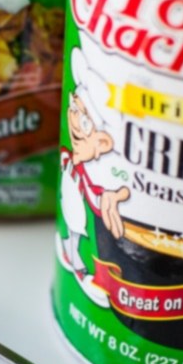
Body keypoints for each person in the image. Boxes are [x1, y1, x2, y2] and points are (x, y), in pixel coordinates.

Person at [59, 47, 129, 306]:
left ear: (101, 142)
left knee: (77, 227)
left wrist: (111, 197)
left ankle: (80, 268)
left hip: (76, 204)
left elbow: (94, 193)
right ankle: (69, 252)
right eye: (74, 109)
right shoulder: (69, 158)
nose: (75, 120)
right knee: (71, 225)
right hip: (67, 197)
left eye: (84, 119)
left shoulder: (88, 174)